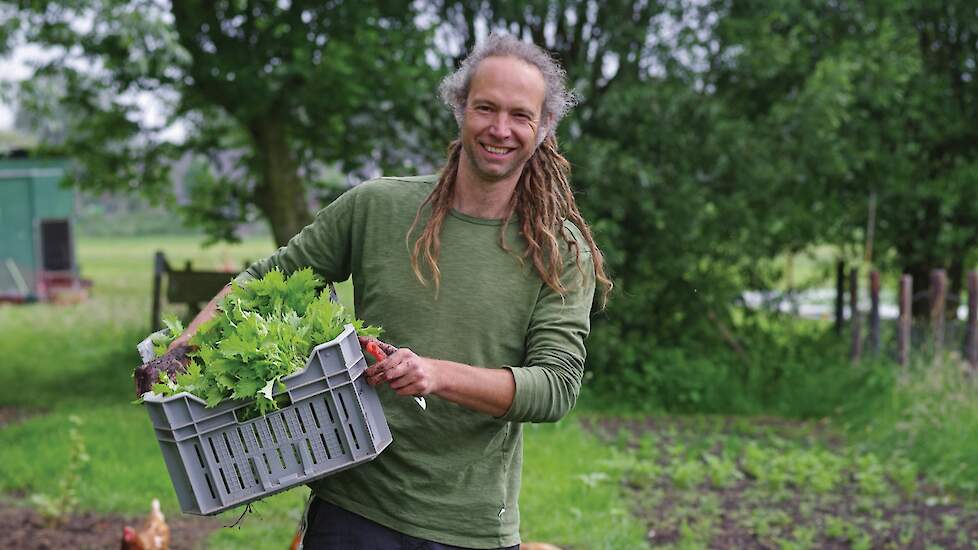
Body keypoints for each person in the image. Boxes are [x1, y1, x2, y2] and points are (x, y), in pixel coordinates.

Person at [170, 32, 612, 549]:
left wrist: (436, 374)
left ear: (544, 127)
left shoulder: (558, 250)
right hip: (353, 511)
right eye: (485, 108)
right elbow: (270, 282)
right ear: (459, 107)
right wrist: (180, 352)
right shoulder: (377, 208)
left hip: (469, 525)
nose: (500, 129)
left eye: (520, 115)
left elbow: (555, 387)